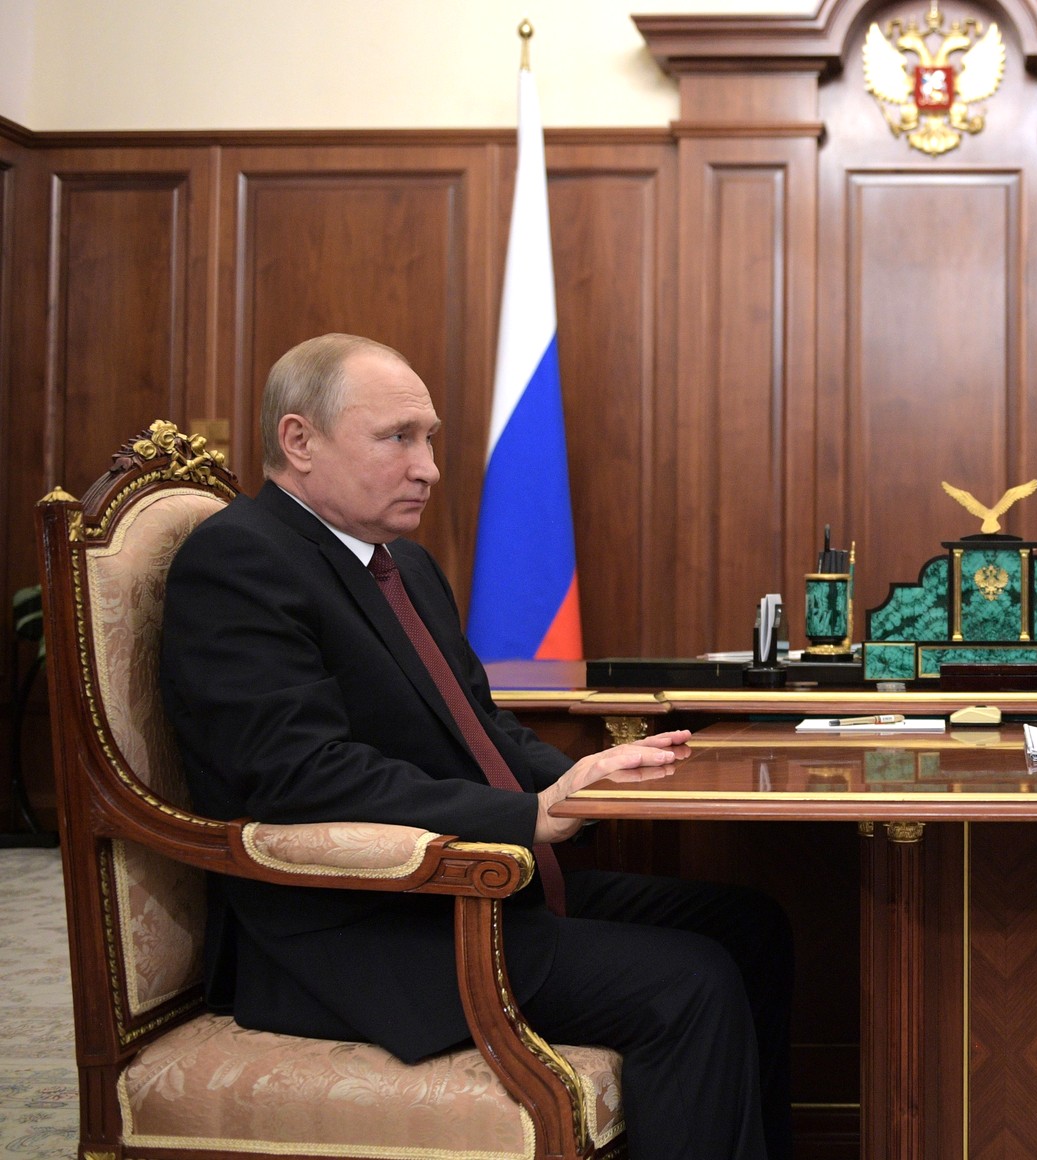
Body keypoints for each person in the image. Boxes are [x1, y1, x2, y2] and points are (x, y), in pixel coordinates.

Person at [160, 334, 792, 1160]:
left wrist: (588, 782)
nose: (427, 467)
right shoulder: (239, 558)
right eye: (397, 438)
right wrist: (527, 816)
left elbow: (481, 728)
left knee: (751, 927)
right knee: (688, 983)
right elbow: (299, 775)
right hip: (358, 925)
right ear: (299, 440)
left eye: (430, 439)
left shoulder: (406, 566)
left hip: (470, 889)